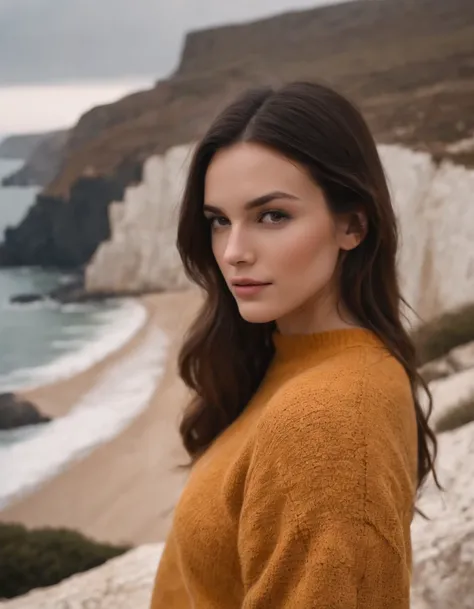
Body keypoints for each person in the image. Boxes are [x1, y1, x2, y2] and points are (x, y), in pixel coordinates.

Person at [150, 81, 439, 608]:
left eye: (271, 216)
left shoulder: (329, 420)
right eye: (219, 221)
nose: (234, 251)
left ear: (352, 224)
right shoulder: (296, 365)